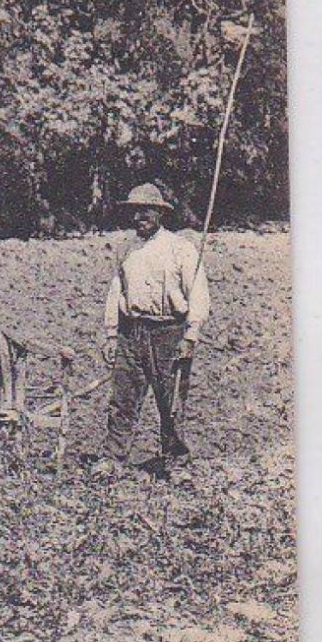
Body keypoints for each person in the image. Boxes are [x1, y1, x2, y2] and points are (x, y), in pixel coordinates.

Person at [94, 182, 211, 475]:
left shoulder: (180, 249)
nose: (139, 217)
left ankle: (176, 460)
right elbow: (115, 292)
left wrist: (191, 335)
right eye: (134, 212)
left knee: (170, 401)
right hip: (131, 332)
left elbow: (197, 293)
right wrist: (111, 333)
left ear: (160, 213)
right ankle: (114, 458)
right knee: (122, 399)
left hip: (168, 332)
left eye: (145, 211)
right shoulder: (126, 250)